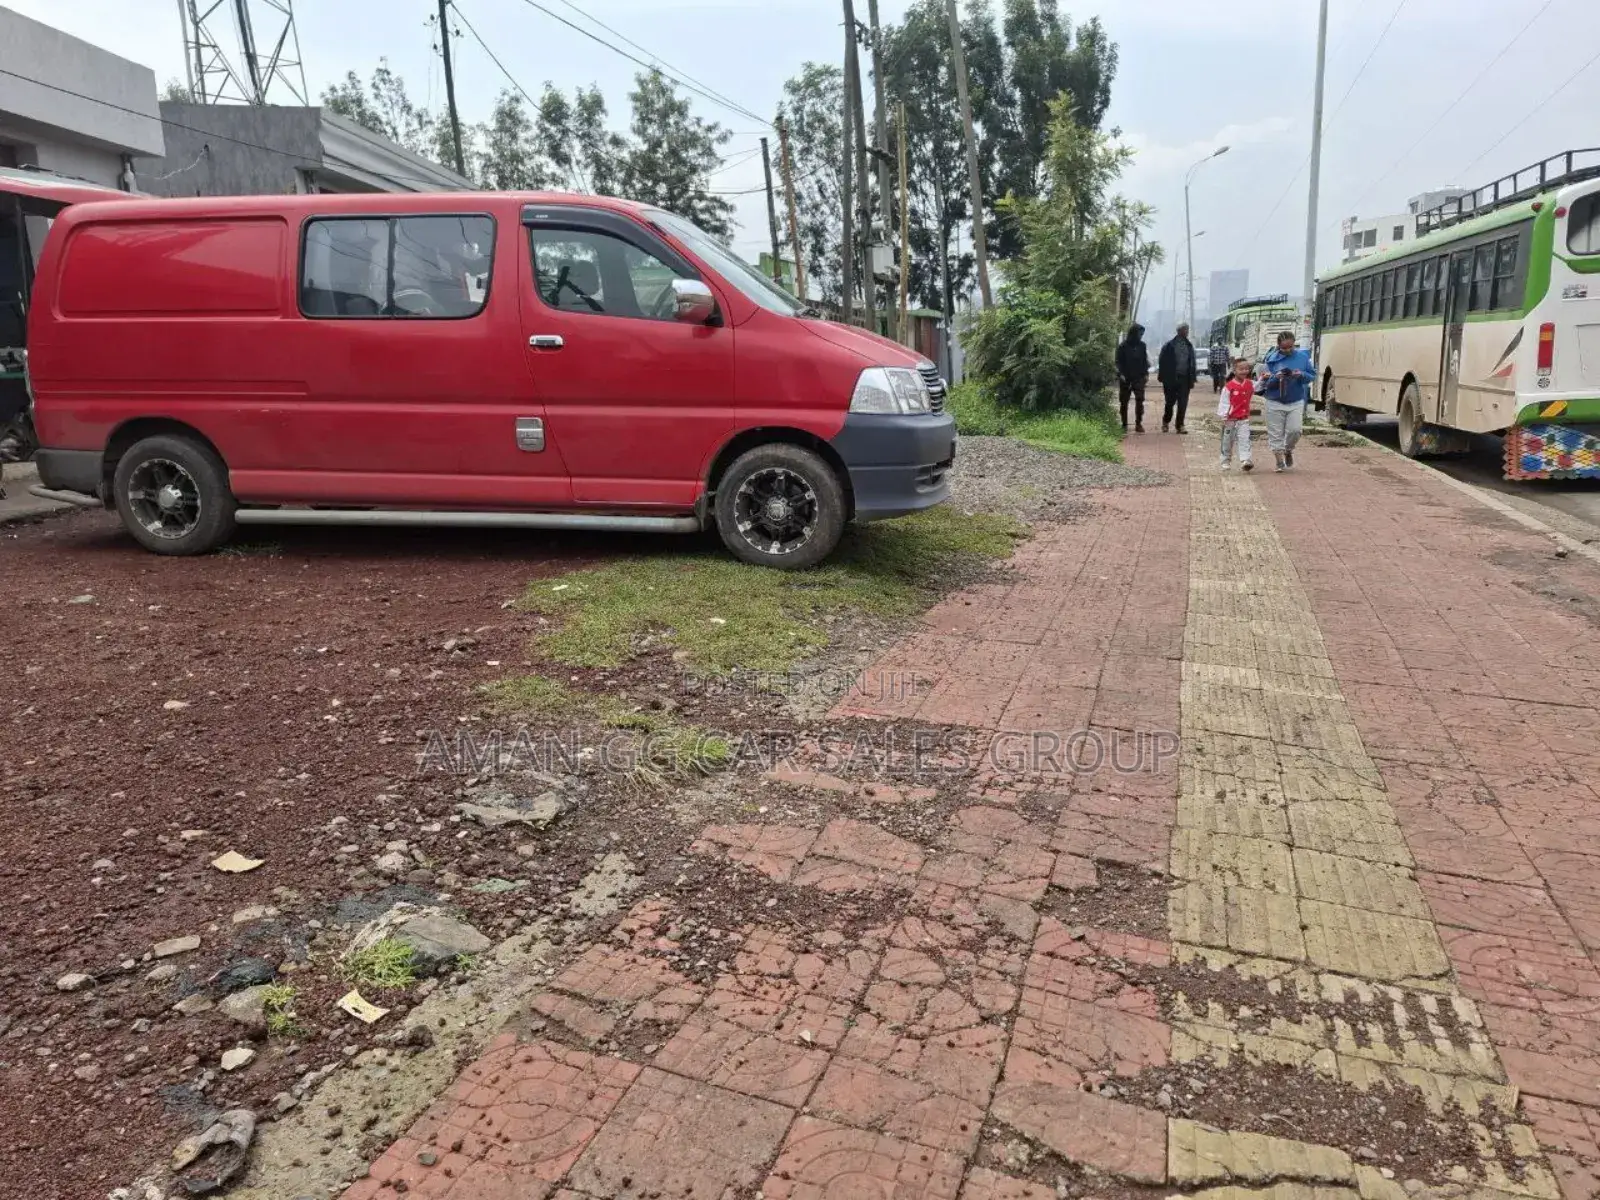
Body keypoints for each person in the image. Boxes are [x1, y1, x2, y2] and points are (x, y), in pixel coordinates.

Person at [1258, 330, 1316, 471]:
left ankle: (1288, 450)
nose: (1288, 350)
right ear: (1278, 346)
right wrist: (1274, 377)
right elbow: (1263, 382)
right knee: (1275, 433)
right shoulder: (1271, 359)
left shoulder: (1303, 357)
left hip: (1295, 400)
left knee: (1295, 431)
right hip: (1274, 400)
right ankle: (1279, 461)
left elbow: (1312, 375)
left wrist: (1301, 374)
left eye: (1291, 347)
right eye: (1284, 348)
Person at [1157, 323, 1198, 434]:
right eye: (1185, 329)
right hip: (1171, 379)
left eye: (1187, 329)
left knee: (1183, 403)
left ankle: (1180, 425)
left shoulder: (1189, 345)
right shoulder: (1169, 345)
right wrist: (1161, 377)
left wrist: (1193, 379)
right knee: (1170, 402)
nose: (1187, 332)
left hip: (1185, 379)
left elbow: (1192, 363)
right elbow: (1162, 362)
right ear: (1179, 331)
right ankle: (1166, 421)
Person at [1217, 357, 1255, 472]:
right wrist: (1224, 415)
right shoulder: (1229, 387)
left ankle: (1245, 460)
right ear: (1234, 370)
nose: (1244, 371)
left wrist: (1263, 379)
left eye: (1246, 369)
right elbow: (1224, 402)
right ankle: (1225, 460)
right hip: (1230, 419)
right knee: (1227, 441)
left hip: (1243, 419)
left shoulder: (1249, 384)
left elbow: (1258, 386)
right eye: (1241, 369)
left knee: (1244, 439)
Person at [1115, 323, 1149, 433]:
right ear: (1134, 333)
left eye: (1142, 334)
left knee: (1140, 400)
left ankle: (1138, 423)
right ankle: (1124, 424)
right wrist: (1120, 375)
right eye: (1139, 334)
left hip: (1138, 378)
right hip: (1126, 378)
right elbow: (1118, 362)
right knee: (1124, 402)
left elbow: (1144, 361)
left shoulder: (1142, 346)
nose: (1141, 336)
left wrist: (1145, 374)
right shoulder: (1123, 346)